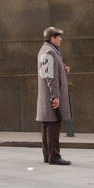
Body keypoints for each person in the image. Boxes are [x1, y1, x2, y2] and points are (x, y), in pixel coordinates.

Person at [36, 26, 72, 166]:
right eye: (58, 37)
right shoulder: (49, 52)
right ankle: (54, 157)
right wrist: (55, 96)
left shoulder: (47, 51)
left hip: (47, 96)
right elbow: (50, 76)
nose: (60, 39)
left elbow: (49, 71)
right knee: (53, 126)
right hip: (51, 96)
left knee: (47, 126)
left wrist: (62, 69)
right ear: (52, 38)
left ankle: (48, 155)